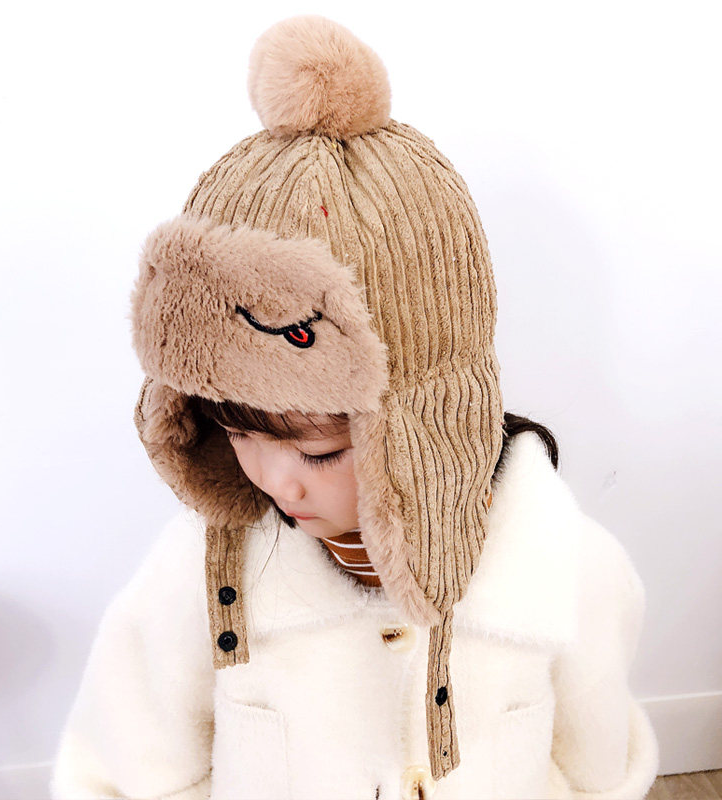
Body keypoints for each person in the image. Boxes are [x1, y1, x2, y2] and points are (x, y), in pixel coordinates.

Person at [50, 14, 659, 800]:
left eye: (319, 451)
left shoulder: (568, 566)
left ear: (424, 416)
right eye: (237, 431)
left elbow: (599, 773)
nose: (277, 482)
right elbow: (120, 769)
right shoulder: (196, 571)